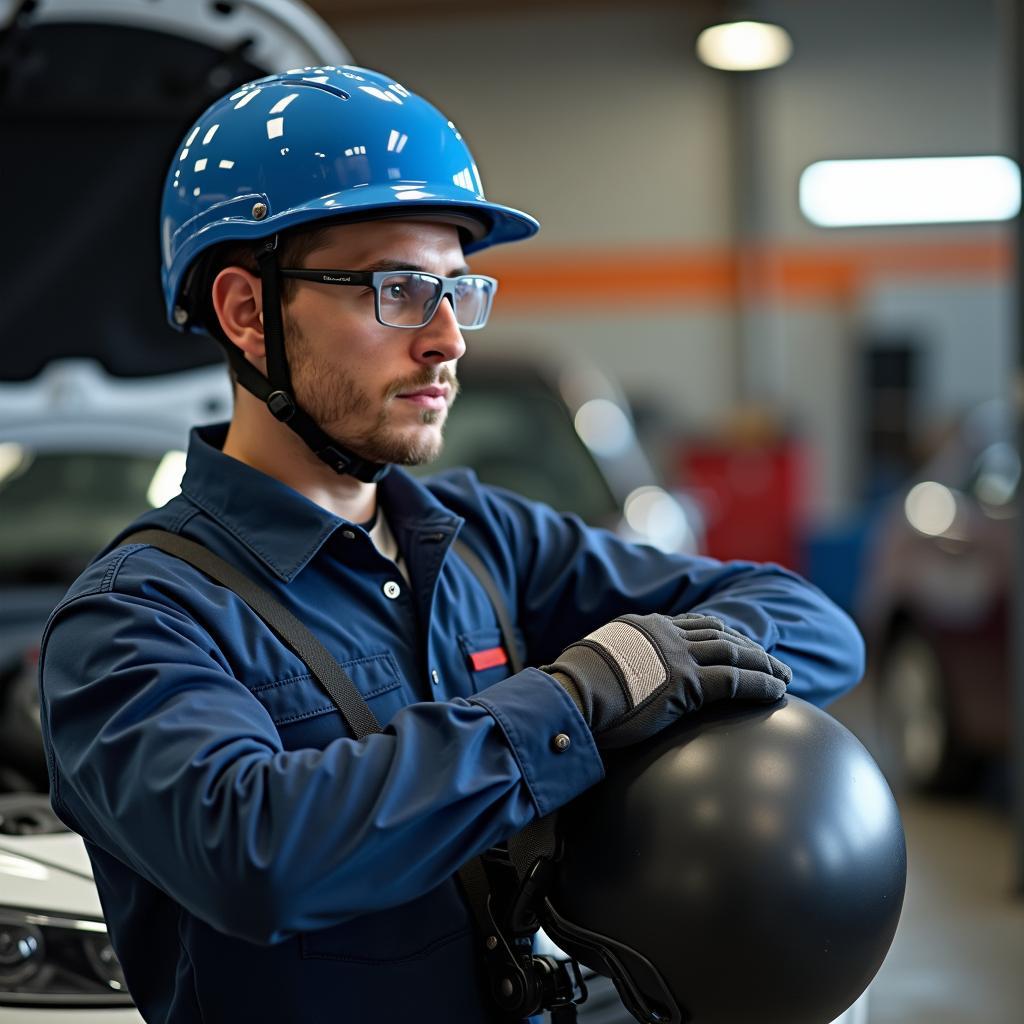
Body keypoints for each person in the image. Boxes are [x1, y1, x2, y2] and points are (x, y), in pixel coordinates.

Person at [38, 66, 864, 1024]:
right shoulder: (131, 620)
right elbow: (254, 850)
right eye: (397, 289)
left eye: (457, 290)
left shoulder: (482, 537)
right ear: (247, 312)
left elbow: (811, 624)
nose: (447, 339)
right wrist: (578, 700)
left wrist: (654, 682)